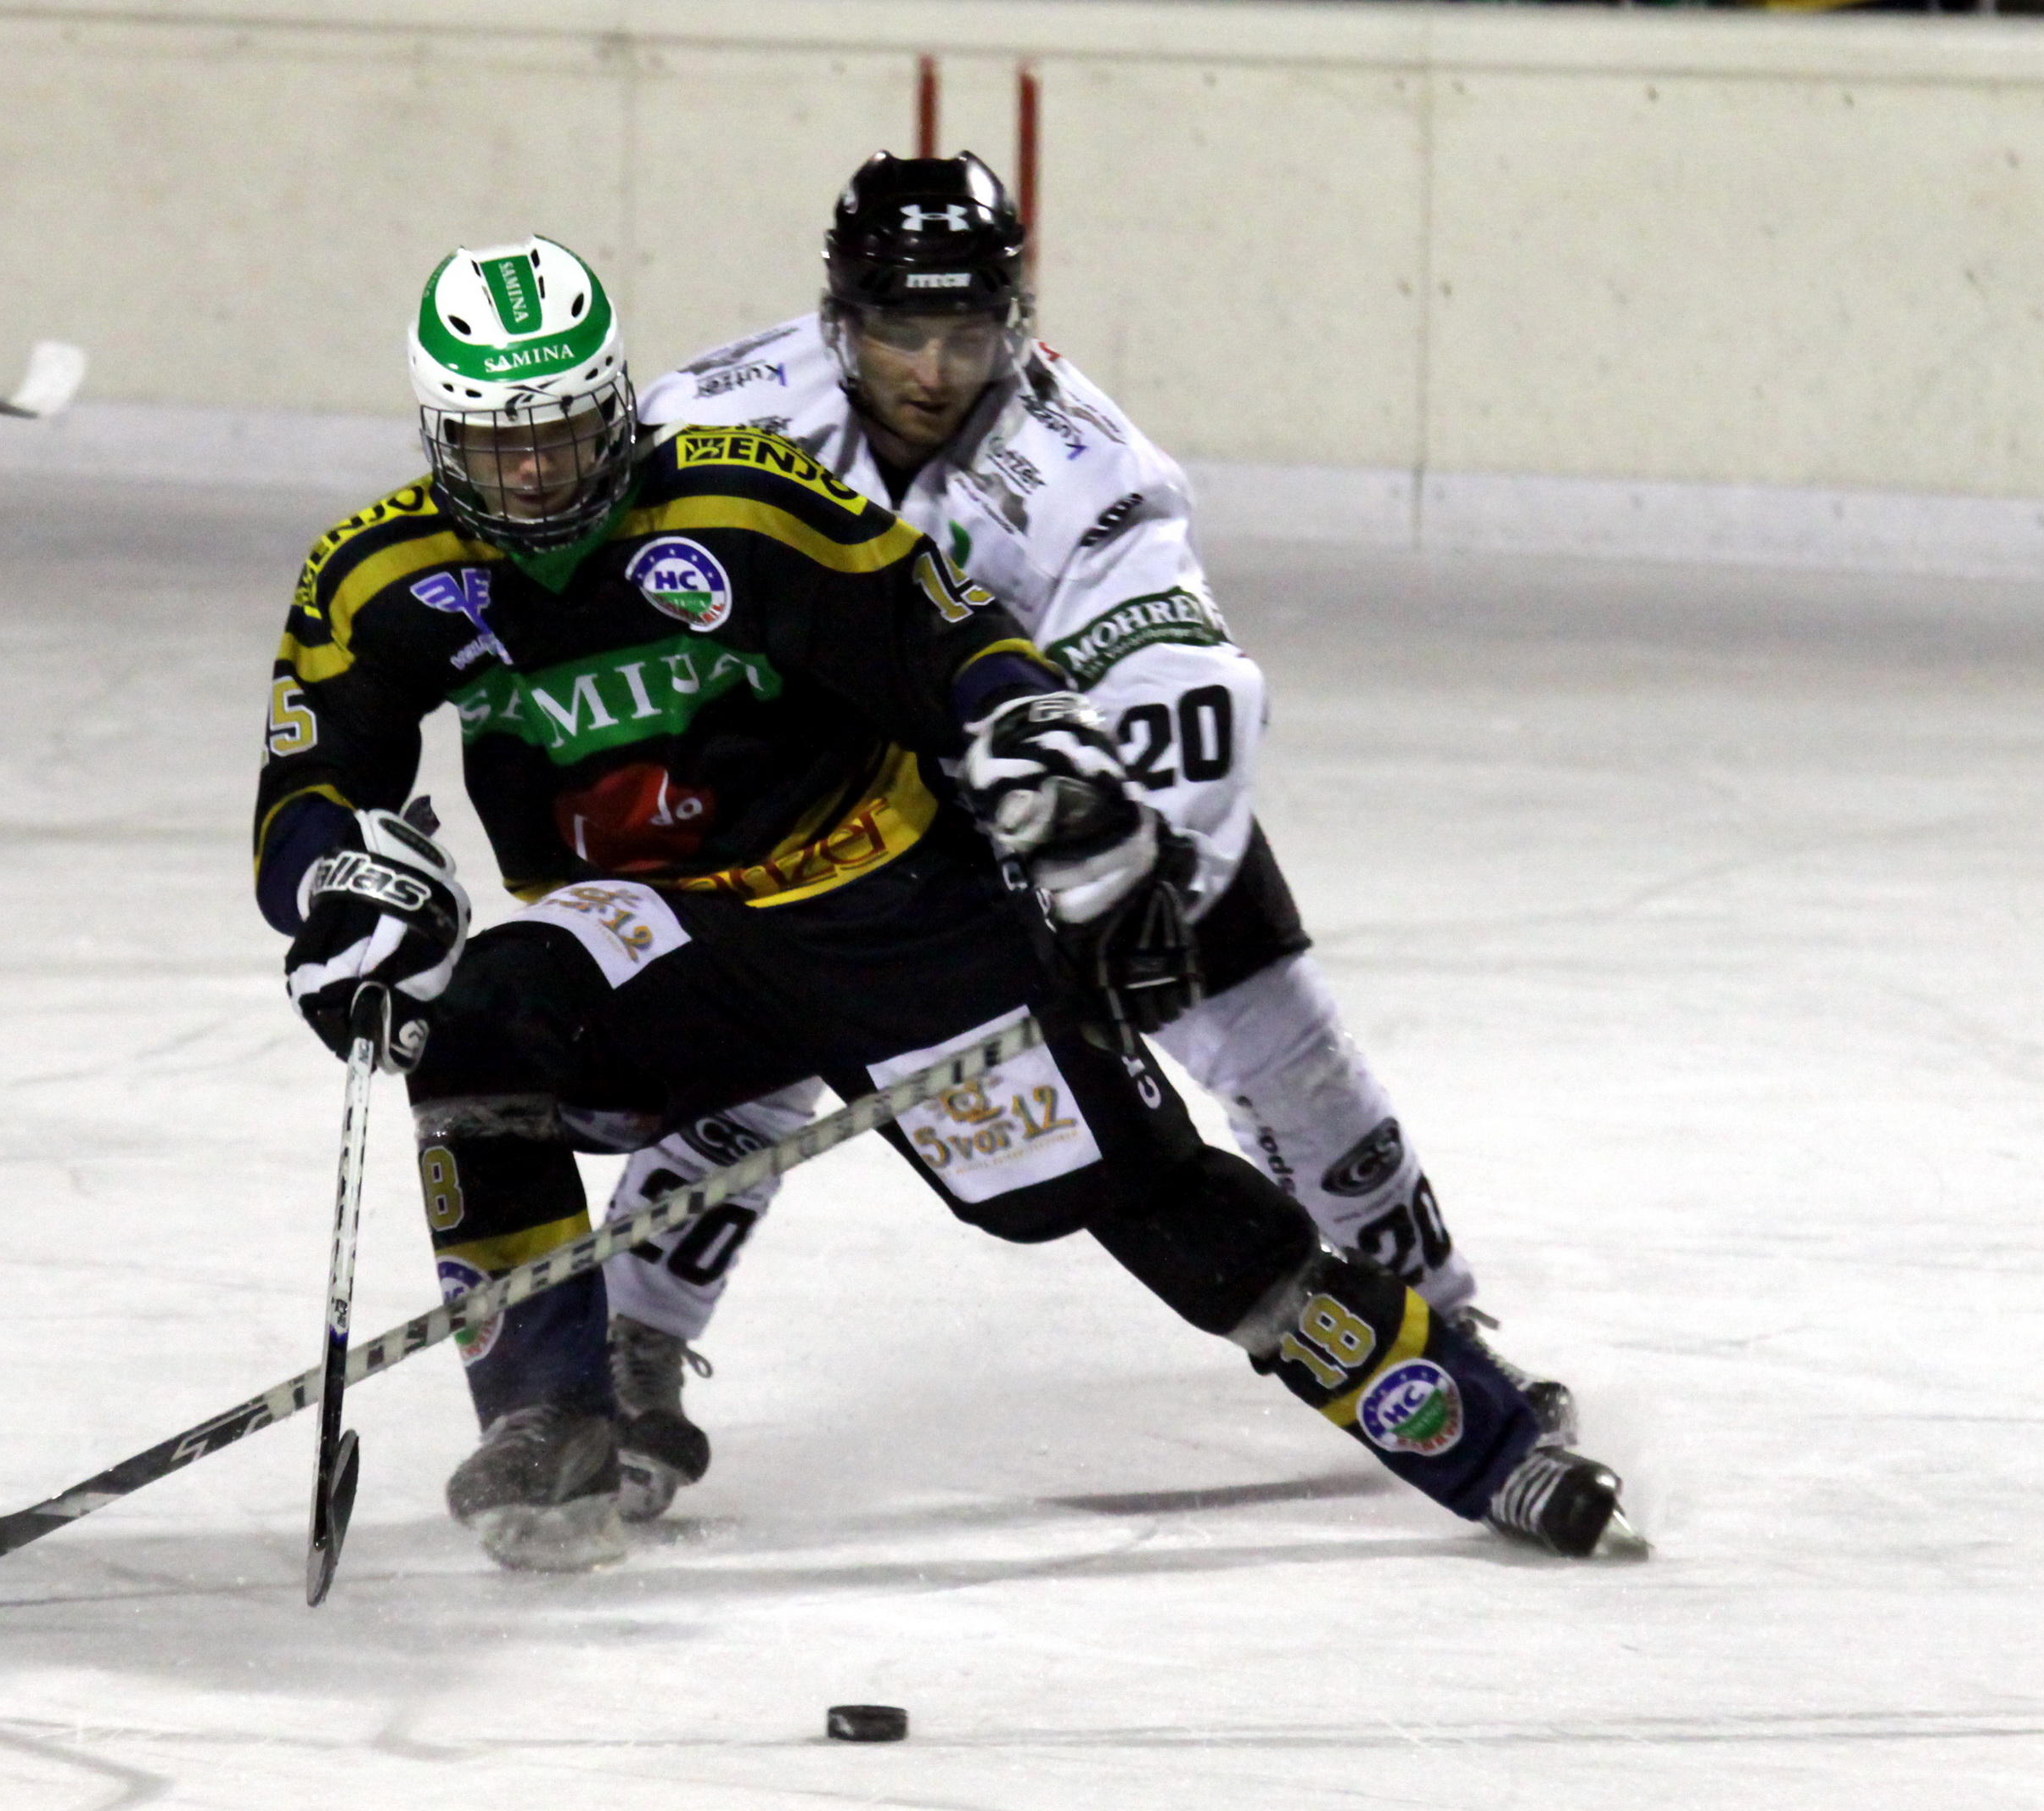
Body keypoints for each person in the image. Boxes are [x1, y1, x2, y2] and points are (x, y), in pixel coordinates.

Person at [253, 233, 1636, 1573]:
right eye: (497, 443)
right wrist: (336, 896)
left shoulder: (743, 498)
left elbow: (948, 633)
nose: (536, 470)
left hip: (888, 899)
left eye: (563, 431)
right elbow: (307, 783)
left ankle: (1479, 1435)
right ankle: (550, 1419)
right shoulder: (375, 575)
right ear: (439, 434)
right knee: (476, 1022)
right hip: (660, 932)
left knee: (1130, 1190)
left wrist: (1039, 747)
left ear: (613, 405)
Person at [599, 151, 1569, 1521]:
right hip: (818, 806)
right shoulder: (709, 417)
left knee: (1283, 1045)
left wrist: (1139, 880)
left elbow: (1178, 680)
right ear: (837, 318)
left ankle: (1438, 1321)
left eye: (966, 333)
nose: (933, 371)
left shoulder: (1082, 464)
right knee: (747, 1060)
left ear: (1014, 319)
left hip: (1054, 799)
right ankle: (623, 1351)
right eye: (899, 331)